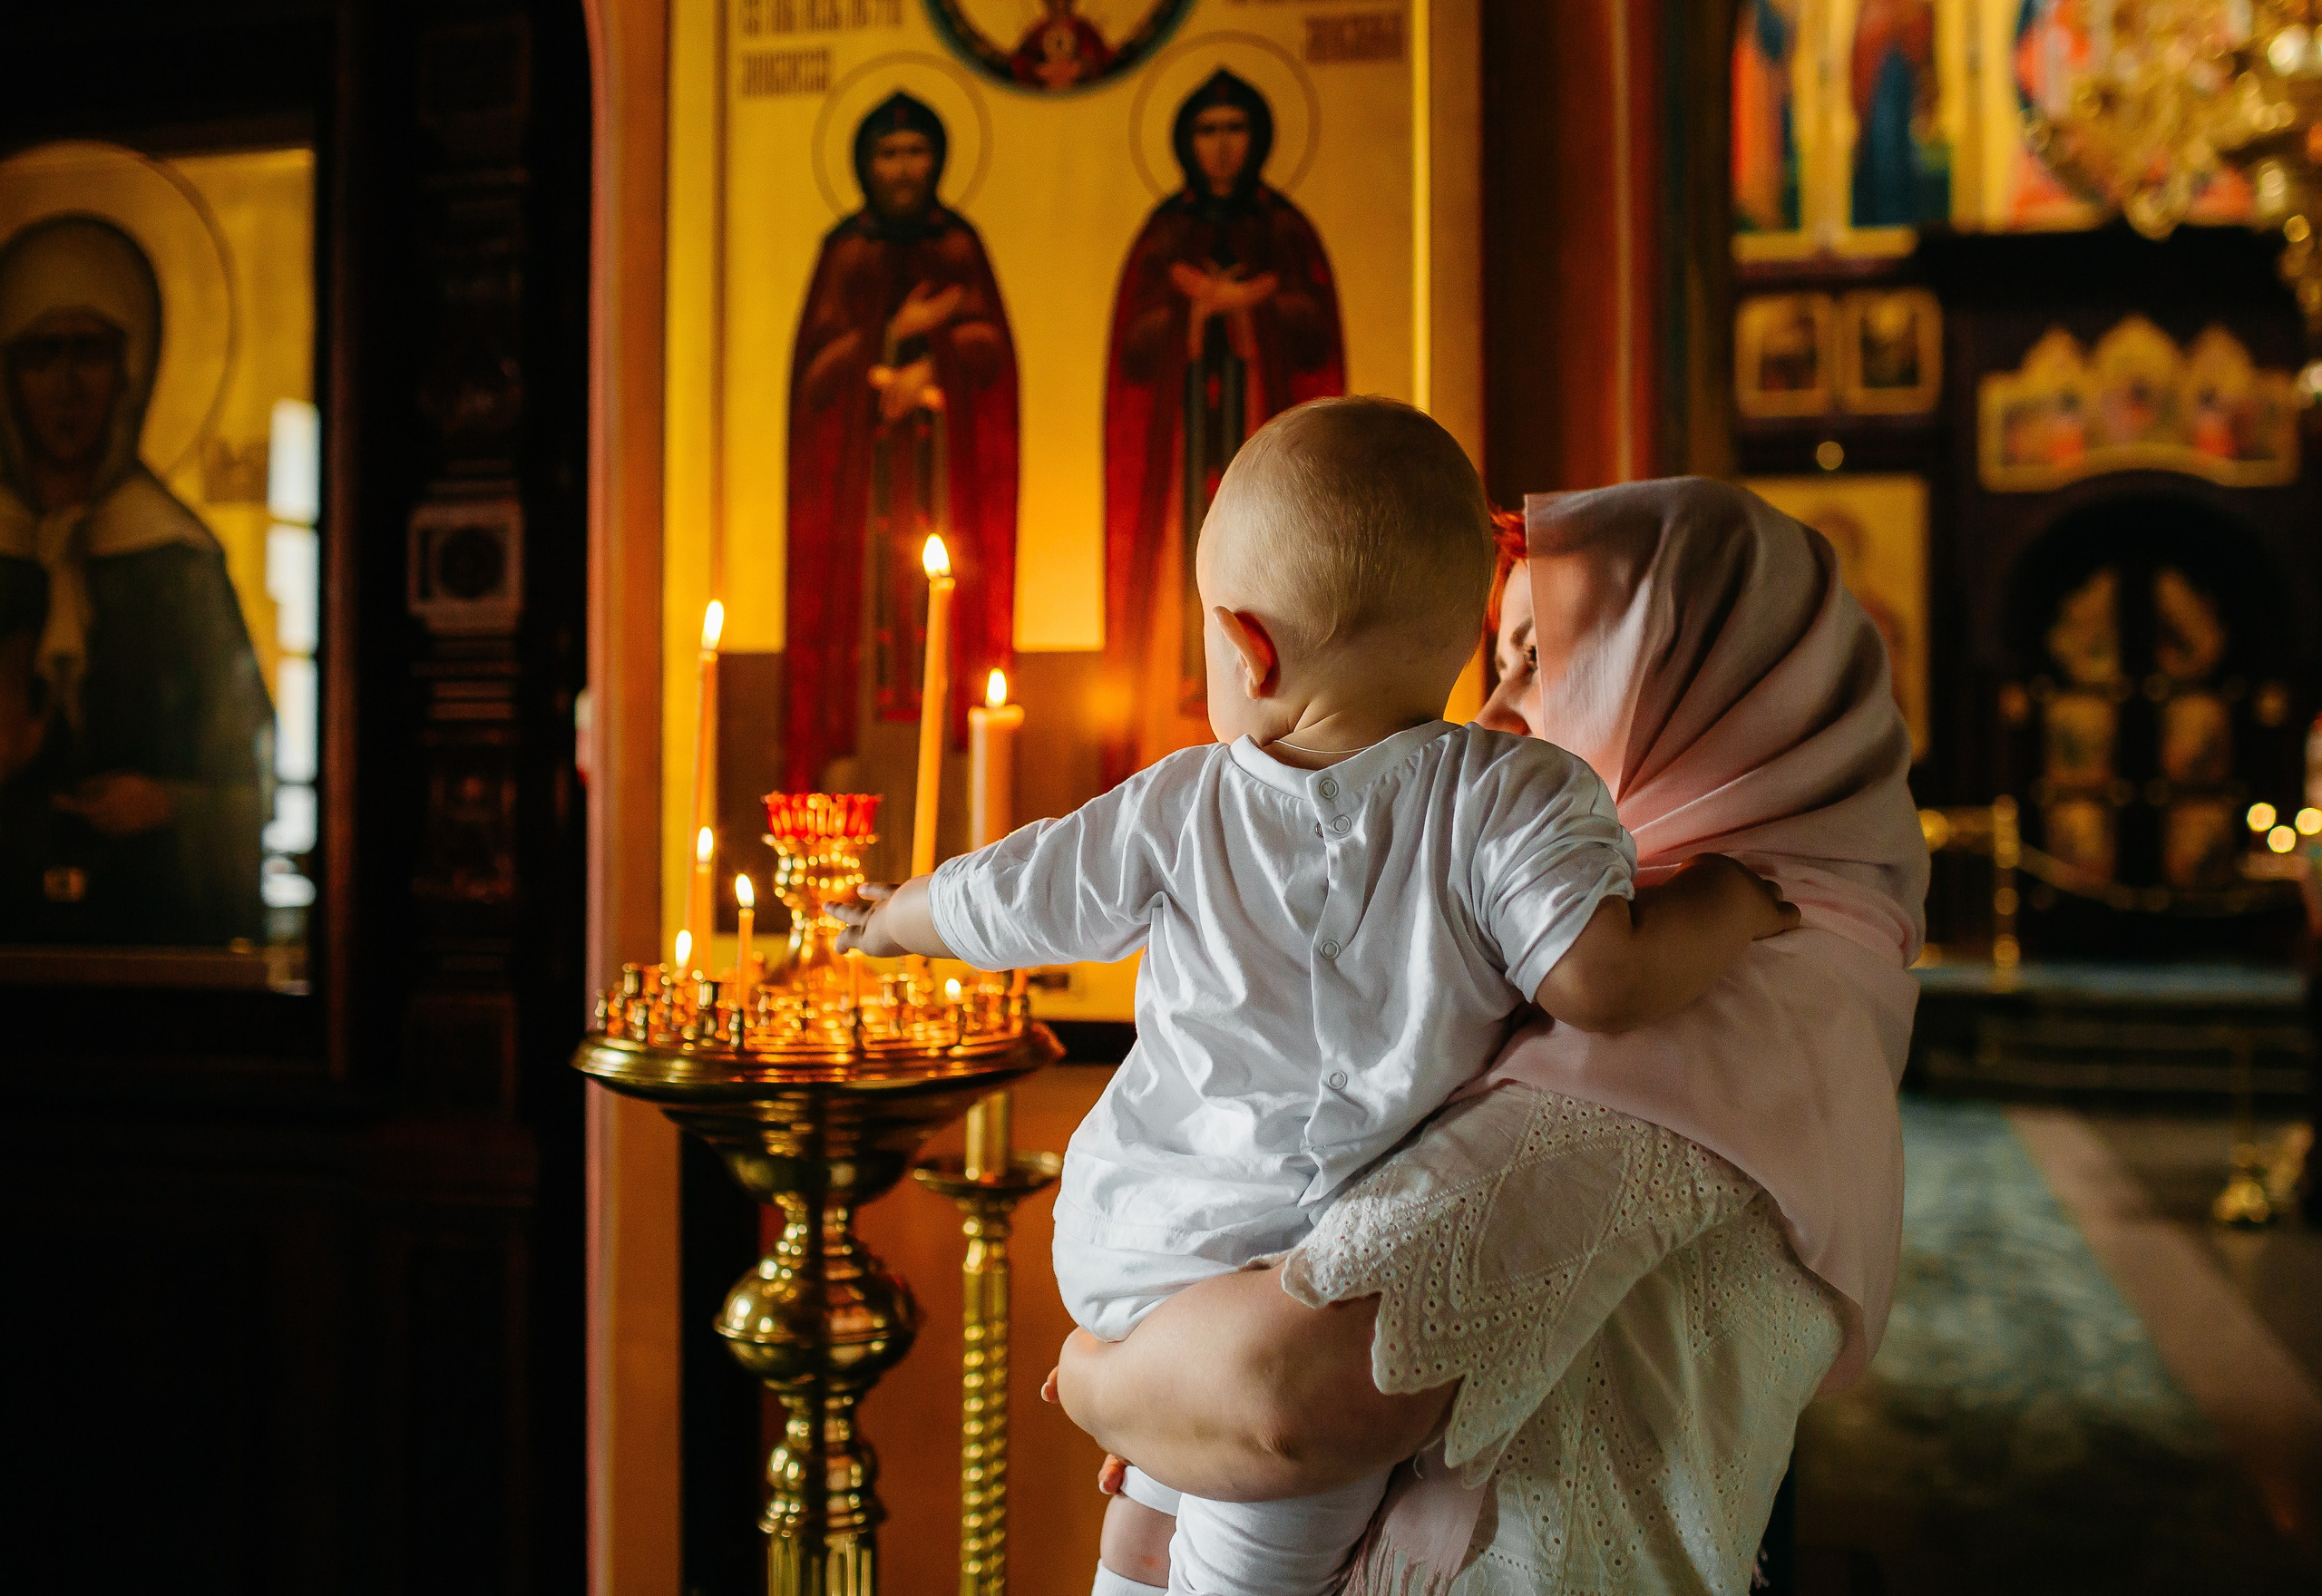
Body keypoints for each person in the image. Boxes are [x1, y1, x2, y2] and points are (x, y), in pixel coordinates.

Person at [830, 402, 1799, 1596]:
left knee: (1147, 1541)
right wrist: (1726, 902)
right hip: (1300, 1272)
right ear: (1464, 630)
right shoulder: (1509, 795)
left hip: (1134, 1251)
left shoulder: (1175, 805)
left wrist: (887, 920)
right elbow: (1600, 978)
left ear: (1247, 648)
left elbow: (1003, 900)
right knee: (1249, 1565)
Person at [1049, 478, 1928, 1594]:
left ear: (1684, 682)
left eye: (1536, 659)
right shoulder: (1738, 941)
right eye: (1497, 659)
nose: (1493, 711)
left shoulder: (1706, 997)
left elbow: (1281, 1397)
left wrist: (1094, 1368)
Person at [0, 214, 270, 946]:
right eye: (39, 355)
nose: (66, 387)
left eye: (88, 352)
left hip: (152, 934)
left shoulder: (178, 560)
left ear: (130, 369)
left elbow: (248, 778)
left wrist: (170, 805)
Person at [1102, 68, 1343, 780]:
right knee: (1185, 566)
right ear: (1185, 143)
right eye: (1208, 131)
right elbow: (1136, 347)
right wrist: (1190, 312)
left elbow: (1314, 339)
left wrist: (1255, 303)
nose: (1222, 146)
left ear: (1258, 138)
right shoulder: (1162, 233)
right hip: (1179, 452)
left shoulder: (1286, 231)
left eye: (1234, 129)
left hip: (1267, 436)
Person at [784, 91, 1019, 793]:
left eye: (915, 151)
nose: (903, 168)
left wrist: (932, 367)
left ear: (938, 160)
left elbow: (991, 354)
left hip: (943, 472)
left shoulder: (960, 246)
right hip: (863, 492)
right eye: (889, 154)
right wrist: (888, 341)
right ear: (865, 164)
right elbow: (818, 369)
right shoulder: (844, 251)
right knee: (867, 618)